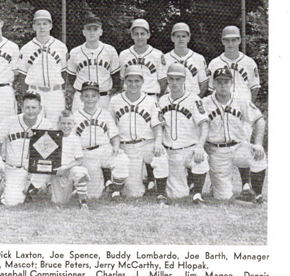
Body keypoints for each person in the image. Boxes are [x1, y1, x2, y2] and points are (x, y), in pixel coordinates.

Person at [203, 68, 267, 202]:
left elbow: (260, 120)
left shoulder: (241, 100)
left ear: (231, 83)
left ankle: (257, 194)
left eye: (226, 82)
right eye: (219, 82)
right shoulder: (205, 103)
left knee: (259, 156)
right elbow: (195, 126)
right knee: (223, 197)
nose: (222, 85)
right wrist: (202, 144)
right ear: (213, 84)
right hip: (217, 151)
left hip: (239, 147)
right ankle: (216, 186)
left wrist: (258, 144)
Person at [0, 91, 55, 206]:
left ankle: (32, 187)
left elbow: (50, 154)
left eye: (34, 107)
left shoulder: (47, 125)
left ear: (40, 108)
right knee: (12, 203)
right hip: (14, 169)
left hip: (35, 171)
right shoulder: (10, 121)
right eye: (27, 107)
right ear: (21, 107)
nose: (31, 111)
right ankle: (7, 185)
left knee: (48, 166)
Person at [108, 65, 169, 198]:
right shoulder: (115, 101)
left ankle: (161, 192)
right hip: (127, 146)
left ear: (142, 81)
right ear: (124, 81)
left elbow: (157, 125)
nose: (133, 84)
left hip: (147, 144)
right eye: (130, 81)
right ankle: (121, 185)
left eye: (137, 81)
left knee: (161, 156)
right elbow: (111, 126)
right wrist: (115, 145)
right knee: (134, 194)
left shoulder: (151, 100)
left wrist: (158, 142)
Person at [158, 63, 209, 203]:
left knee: (202, 158)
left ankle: (197, 193)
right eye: (171, 79)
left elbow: (204, 124)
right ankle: (188, 181)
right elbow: (159, 126)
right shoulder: (162, 100)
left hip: (190, 149)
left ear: (184, 79)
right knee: (178, 195)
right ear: (167, 80)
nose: (174, 82)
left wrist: (200, 146)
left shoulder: (194, 99)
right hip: (171, 152)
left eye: (178, 79)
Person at [73, 82, 130, 199]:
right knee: (93, 195)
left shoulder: (105, 114)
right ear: (81, 97)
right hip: (86, 153)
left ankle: (115, 189)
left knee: (122, 160)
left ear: (98, 97)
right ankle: (105, 185)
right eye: (86, 96)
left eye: (93, 96)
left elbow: (115, 135)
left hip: (104, 149)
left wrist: (115, 147)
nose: (90, 99)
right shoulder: (75, 116)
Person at [17, 10, 68, 122]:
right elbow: (22, 75)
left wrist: (62, 91)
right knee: (34, 127)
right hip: (35, 92)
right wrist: (26, 96)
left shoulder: (60, 47)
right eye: (38, 24)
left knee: (56, 128)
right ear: (33, 26)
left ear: (50, 26)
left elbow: (65, 73)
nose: (42, 27)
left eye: (45, 23)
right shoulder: (26, 48)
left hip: (55, 94)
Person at [67, 16, 121, 111]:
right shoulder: (75, 52)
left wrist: (111, 92)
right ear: (84, 32)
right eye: (88, 29)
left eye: (95, 29)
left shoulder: (110, 50)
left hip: (103, 97)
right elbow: (71, 77)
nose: (92, 32)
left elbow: (116, 76)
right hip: (81, 98)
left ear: (101, 32)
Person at [207, 25, 260, 103]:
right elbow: (211, 88)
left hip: (243, 105)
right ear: (222, 41)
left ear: (239, 40)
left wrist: (249, 105)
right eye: (227, 40)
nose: (230, 43)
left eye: (233, 40)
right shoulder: (214, 63)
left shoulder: (249, 62)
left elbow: (255, 87)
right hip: (221, 106)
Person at [49, 110, 90, 209]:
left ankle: (82, 201)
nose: (66, 126)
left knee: (81, 172)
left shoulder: (74, 139)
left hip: (69, 170)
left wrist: (66, 167)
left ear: (74, 124)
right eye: (63, 123)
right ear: (58, 124)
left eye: (69, 123)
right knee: (59, 201)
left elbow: (79, 160)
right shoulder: (51, 137)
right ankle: (46, 188)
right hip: (56, 172)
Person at [119, 19, 167, 97]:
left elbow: (163, 81)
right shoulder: (124, 54)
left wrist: (158, 97)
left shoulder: (157, 54)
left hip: (150, 96)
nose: (139, 37)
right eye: (136, 34)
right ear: (132, 35)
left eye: (142, 34)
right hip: (129, 97)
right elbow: (121, 80)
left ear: (148, 35)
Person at [163, 22, 209, 97]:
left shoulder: (199, 58)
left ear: (189, 38)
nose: (181, 39)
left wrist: (196, 99)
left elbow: (204, 84)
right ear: (172, 38)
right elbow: (162, 83)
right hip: (171, 100)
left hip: (192, 99)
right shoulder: (165, 58)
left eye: (184, 36)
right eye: (178, 36)